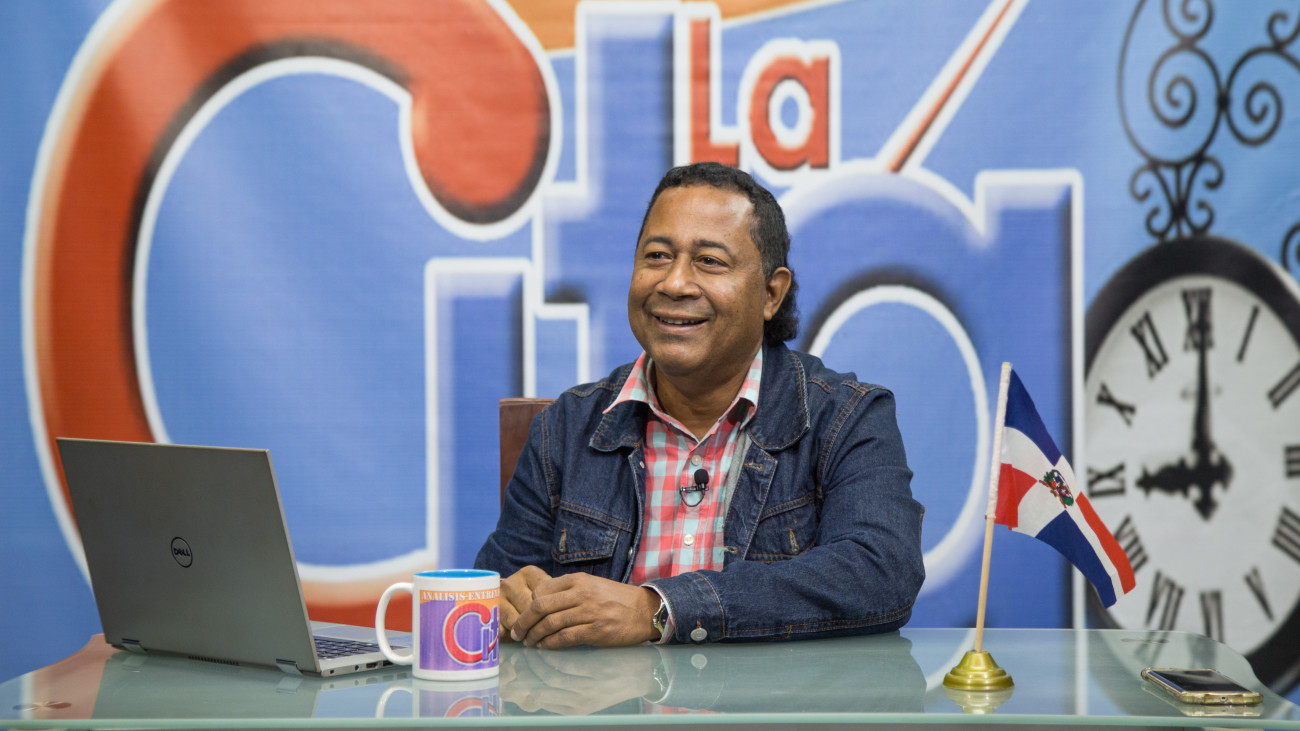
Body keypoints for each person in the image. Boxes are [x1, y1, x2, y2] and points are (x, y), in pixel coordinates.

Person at [474, 162, 924, 648]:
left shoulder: (848, 417)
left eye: (709, 261)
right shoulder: (566, 428)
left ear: (771, 293)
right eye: (657, 256)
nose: (674, 283)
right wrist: (505, 603)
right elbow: (496, 597)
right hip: (599, 699)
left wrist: (659, 609)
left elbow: (880, 573)